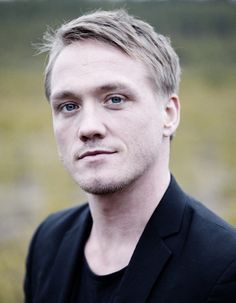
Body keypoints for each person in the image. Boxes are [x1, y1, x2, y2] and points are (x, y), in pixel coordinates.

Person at [24, 9, 236, 303]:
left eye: (115, 99)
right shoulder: (48, 241)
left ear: (168, 113)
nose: (88, 128)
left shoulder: (224, 265)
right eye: (69, 106)